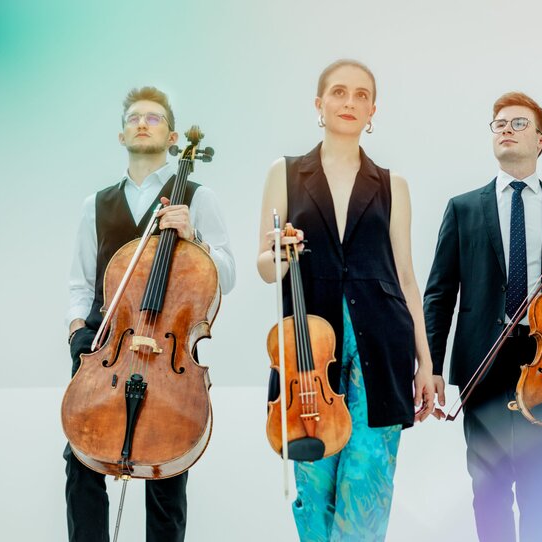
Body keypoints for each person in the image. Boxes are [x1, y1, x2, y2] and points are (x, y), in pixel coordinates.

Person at [256, 59, 441, 541]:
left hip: (381, 349)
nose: (350, 102)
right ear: (320, 105)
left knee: (368, 486)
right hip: (308, 354)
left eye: (361, 96)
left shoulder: (392, 184)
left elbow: (405, 276)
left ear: (372, 111)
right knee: (313, 487)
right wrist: (278, 252)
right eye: (339, 93)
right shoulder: (286, 173)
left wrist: (426, 363)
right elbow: (265, 267)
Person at [65, 86, 236, 542]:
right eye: (135, 118)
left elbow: (227, 272)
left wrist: (194, 235)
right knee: (80, 462)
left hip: (166, 356)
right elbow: (81, 284)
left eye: (154, 118)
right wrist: (77, 334)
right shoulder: (95, 205)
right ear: (122, 135)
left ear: (173, 135)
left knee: (166, 466)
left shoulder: (197, 197)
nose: (143, 123)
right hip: (107, 350)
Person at [423, 91, 542, 542]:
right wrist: (432, 367)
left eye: (518, 123)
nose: (505, 129)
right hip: (483, 362)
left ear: (541, 140)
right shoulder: (463, 208)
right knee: (489, 489)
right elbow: (439, 294)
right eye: (498, 123)